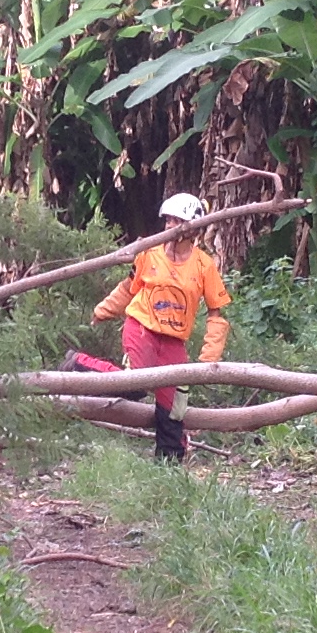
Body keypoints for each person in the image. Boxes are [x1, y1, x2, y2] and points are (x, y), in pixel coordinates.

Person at [86, 192, 230, 461]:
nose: (170, 227)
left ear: (193, 228)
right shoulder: (149, 254)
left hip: (174, 340)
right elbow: (128, 288)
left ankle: (169, 464)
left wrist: (209, 360)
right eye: (168, 220)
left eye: (178, 221)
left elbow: (216, 314)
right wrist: (103, 311)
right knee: (136, 384)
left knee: (175, 404)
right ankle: (79, 365)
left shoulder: (204, 265)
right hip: (142, 328)